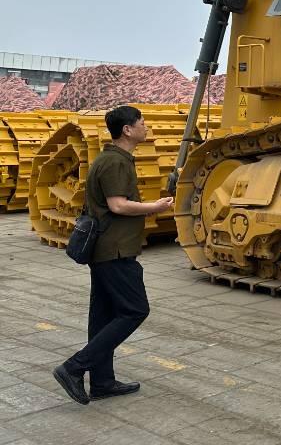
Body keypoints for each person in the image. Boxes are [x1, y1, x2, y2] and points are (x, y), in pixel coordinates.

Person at [52, 105, 174, 404]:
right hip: (114, 251)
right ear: (127, 130)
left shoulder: (114, 159)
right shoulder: (115, 162)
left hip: (107, 249)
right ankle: (74, 367)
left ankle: (103, 382)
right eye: (142, 123)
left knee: (103, 316)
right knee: (135, 310)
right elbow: (118, 205)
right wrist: (155, 207)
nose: (147, 127)